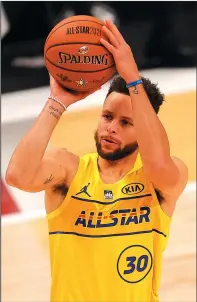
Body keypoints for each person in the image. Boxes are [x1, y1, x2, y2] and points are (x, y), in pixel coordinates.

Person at [6, 19, 188, 302]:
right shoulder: (68, 170)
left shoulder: (162, 179)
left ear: (145, 130)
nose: (111, 127)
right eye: (107, 116)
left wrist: (133, 79)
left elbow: (158, 162)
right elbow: (17, 175)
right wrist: (57, 102)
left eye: (126, 122)